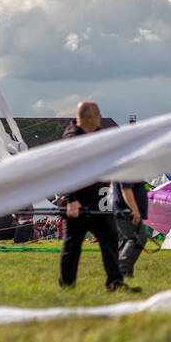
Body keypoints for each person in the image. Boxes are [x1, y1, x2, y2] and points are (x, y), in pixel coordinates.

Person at [59, 102, 136, 292]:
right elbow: (65, 170)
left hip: (99, 200)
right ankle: (67, 285)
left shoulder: (99, 136)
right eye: (98, 114)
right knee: (72, 244)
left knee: (110, 238)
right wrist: (71, 199)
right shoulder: (72, 139)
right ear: (89, 117)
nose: (101, 117)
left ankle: (115, 282)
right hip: (77, 201)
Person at [113, 177, 148, 280]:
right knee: (134, 239)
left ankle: (126, 271)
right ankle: (122, 268)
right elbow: (126, 190)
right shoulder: (127, 170)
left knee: (134, 240)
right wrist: (135, 210)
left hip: (128, 211)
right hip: (126, 212)